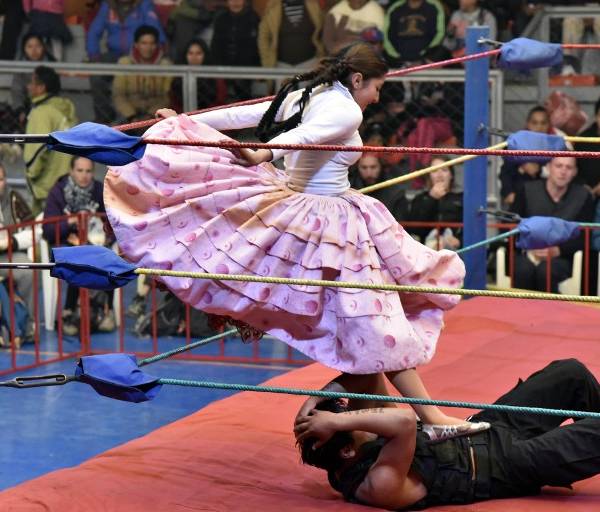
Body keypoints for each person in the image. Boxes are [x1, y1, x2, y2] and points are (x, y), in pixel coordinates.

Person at [107, 42, 467, 426]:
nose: (377, 98)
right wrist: (257, 151)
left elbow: (251, 113)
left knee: (367, 318)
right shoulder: (345, 110)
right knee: (374, 317)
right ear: (358, 79)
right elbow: (303, 136)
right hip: (324, 221)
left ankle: (396, 418)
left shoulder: (310, 94)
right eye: (376, 88)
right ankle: (427, 418)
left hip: (314, 210)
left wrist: (188, 122)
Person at [294, 358, 600, 509]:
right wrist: (336, 423)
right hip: (508, 464)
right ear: (347, 450)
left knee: (570, 373)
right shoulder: (374, 485)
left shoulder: (354, 445)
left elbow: (371, 371)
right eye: (347, 418)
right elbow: (403, 422)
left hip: (486, 427)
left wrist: (319, 397)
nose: (354, 413)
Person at [42, 156, 115, 336]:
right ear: (71, 171)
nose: (84, 175)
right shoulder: (58, 192)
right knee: (79, 258)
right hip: (64, 243)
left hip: (95, 242)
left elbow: (114, 225)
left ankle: (104, 310)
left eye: (88, 171)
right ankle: (69, 311)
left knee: (107, 258)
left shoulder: (100, 190)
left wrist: (105, 238)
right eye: (80, 170)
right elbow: (48, 230)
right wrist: (70, 222)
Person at [510, 156, 595, 293]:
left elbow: (584, 236)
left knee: (546, 271)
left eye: (569, 167)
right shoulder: (526, 190)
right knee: (523, 270)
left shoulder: (583, 196)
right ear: (548, 167)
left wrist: (558, 250)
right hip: (527, 253)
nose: (563, 171)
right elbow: (511, 227)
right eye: (558, 166)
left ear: (575, 172)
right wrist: (530, 246)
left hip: (562, 257)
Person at [86, 0, 166, 123]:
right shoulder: (108, 5)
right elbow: (94, 32)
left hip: (137, 56)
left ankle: (146, 116)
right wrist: (93, 55)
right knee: (96, 74)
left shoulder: (143, 4)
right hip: (113, 55)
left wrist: (159, 49)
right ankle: (104, 116)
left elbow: (154, 28)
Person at [23, 65, 77, 215]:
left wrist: (31, 175)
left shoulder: (41, 112)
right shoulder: (66, 111)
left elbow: (37, 149)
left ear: (41, 88)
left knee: (45, 228)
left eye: (32, 82)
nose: (28, 86)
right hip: (67, 186)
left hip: (47, 189)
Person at [0, 161, 37, 348]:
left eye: (0, 180)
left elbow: (34, 231)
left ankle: (27, 327)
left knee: (27, 270)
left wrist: (11, 242)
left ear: (5, 180)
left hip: (8, 254)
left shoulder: (14, 198)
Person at [112, 25, 172, 122]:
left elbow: (166, 96)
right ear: (136, 44)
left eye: (152, 43)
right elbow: (119, 95)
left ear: (157, 45)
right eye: (144, 43)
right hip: (128, 115)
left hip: (156, 115)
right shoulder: (124, 63)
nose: (148, 47)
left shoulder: (165, 65)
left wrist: (150, 116)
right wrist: (131, 116)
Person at [210, 0, 261, 102]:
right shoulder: (221, 18)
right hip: (224, 68)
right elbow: (215, 45)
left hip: (247, 69)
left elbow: (258, 46)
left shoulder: (253, 18)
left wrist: (258, 68)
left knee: (244, 101)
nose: (235, 2)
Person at [408, 156, 463, 250]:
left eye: (444, 170)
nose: (439, 175)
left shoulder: (461, 198)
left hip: (454, 250)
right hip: (425, 249)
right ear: (429, 175)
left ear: (451, 175)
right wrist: (431, 198)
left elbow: (470, 227)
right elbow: (414, 229)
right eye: (434, 171)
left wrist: (459, 241)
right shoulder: (420, 199)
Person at [258, 0, 324, 70]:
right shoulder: (273, 7)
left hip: (310, 64)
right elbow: (263, 36)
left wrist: (320, 59)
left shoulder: (314, 6)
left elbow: (323, 32)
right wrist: (267, 60)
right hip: (281, 66)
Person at [11, 33, 56, 126]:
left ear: (43, 47)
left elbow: (54, 91)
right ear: (24, 49)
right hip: (26, 108)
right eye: (30, 46)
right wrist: (20, 110)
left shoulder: (51, 65)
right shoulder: (20, 68)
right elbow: (17, 91)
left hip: (48, 107)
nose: (34, 50)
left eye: (38, 46)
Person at [383, 0, 445, 67]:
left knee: (442, 50)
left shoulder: (434, 6)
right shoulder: (395, 7)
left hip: (426, 59)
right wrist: (399, 59)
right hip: (398, 60)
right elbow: (386, 37)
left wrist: (423, 58)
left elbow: (439, 34)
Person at [349, 153, 409, 222]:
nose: (369, 173)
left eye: (373, 167)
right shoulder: (349, 191)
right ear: (357, 168)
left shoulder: (396, 194)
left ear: (381, 167)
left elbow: (399, 224)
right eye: (364, 167)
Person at [170, 38, 218, 113]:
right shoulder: (178, 78)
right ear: (185, 55)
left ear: (205, 55)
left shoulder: (216, 78)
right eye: (190, 53)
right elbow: (174, 104)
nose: (194, 57)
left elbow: (219, 103)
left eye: (198, 53)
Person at [573, 97, 600, 200]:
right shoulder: (583, 139)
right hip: (584, 194)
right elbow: (572, 168)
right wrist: (582, 185)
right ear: (596, 117)